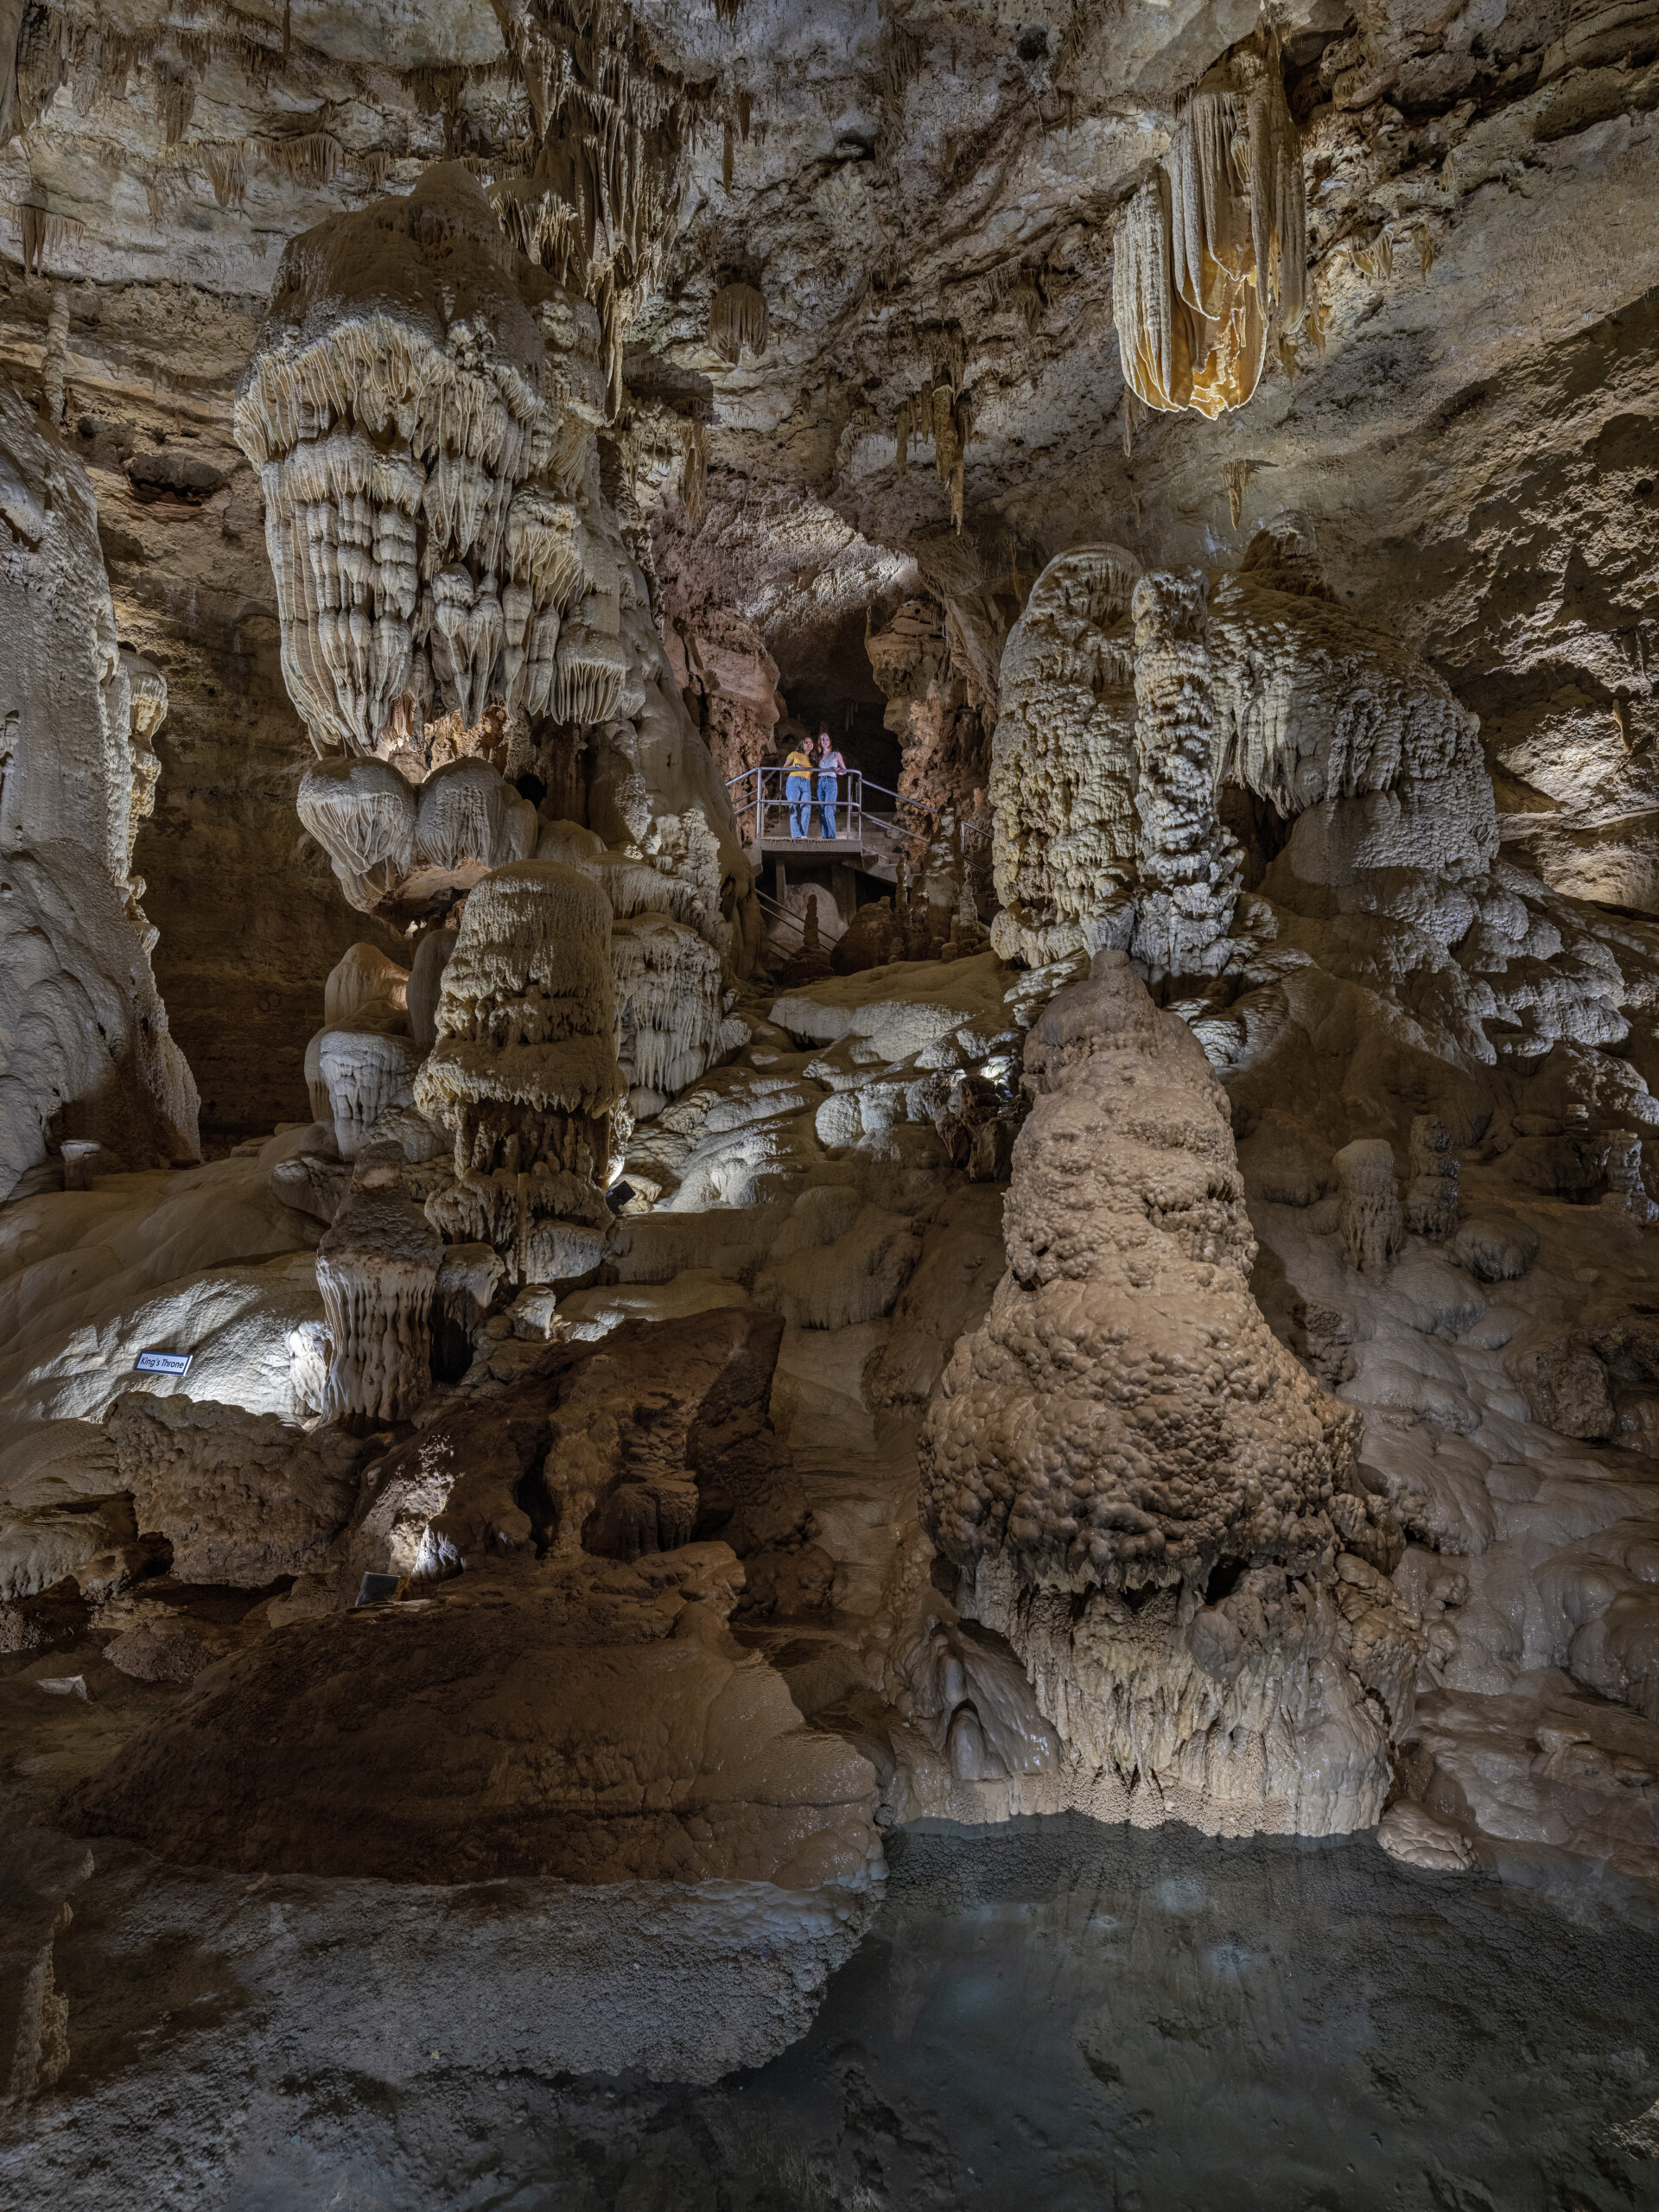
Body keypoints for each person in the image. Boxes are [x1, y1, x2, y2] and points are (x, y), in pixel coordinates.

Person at [816, 729, 847, 840]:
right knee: (822, 812)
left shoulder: (836, 754)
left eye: (826, 739)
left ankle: (832, 838)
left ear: (829, 741)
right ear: (820, 742)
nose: (825, 741)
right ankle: (825, 838)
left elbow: (844, 771)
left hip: (830, 782)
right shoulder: (818, 756)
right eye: (822, 739)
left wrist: (838, 770)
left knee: (828, 811)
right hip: (820, 782)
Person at [782, 735, 814, 838]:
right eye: (807, 742)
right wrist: (795, 766)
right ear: (802, 744)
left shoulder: (812, 759)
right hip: (794, 781)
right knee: (793, 808)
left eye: (811, 742)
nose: (810, 744)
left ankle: (803, 835)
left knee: (806, 810)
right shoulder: (794, 754)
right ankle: (796, 835)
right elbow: (784, 769)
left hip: (806, 784)